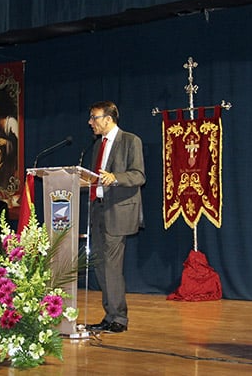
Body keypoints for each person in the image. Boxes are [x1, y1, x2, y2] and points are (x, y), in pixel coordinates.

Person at [85, 101, 145, 334]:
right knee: (100, 265)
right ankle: (109, 316)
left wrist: (115, 177)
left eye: (94, 117)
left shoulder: (131, 141)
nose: (91, 122)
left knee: (111, 267)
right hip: (97, 209)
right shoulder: (96, 146)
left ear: (108, 118)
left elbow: (139, 175)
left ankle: (119, 318)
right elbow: (94, 178)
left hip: (118, 211)